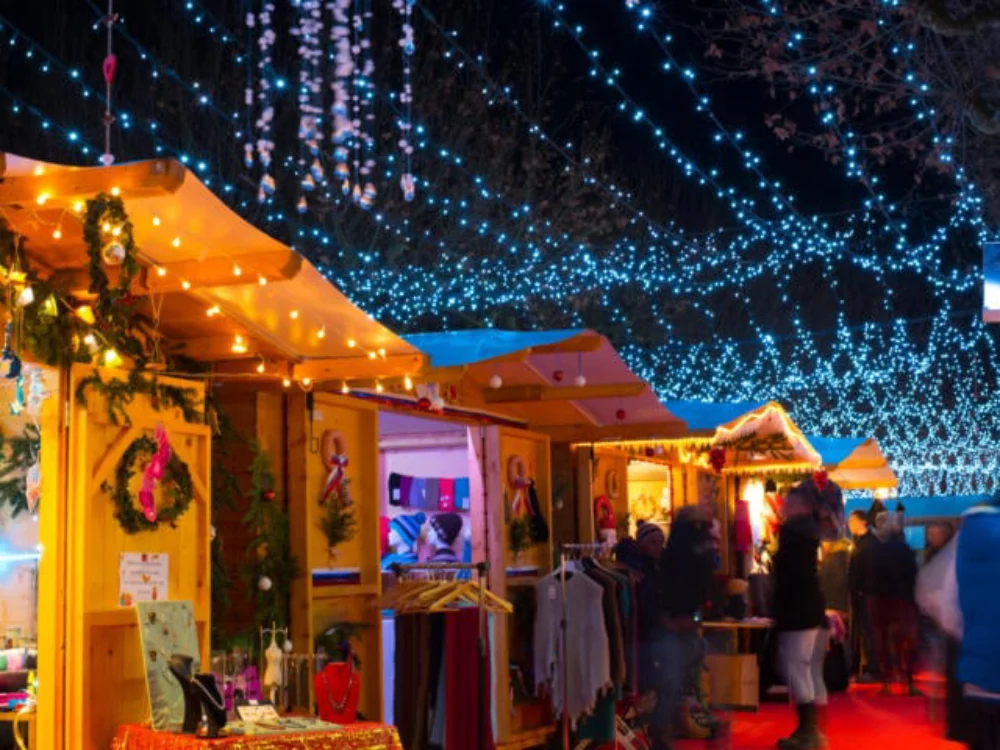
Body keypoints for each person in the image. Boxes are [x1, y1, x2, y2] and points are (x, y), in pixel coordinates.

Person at [772, 485, 828, 750]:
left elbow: (788, 576)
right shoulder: (807, 531)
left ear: (800, 506)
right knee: (801, 668)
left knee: (796, 668)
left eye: (788, 503)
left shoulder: (793, 532)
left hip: (797, 609)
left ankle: (809, 732)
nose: (783, 507)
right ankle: (808, 729)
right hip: (806, 607)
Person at [868, 512, 920, 696]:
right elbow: (913, 575)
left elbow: (871, 576)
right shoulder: (905, 550)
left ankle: (887, 681)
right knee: (907, 640)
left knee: (881, 640)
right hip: (903, 599)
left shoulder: (876, 550)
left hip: (881, 599)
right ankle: (909, 680)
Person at [848, 509, 880, 682]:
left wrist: (860, 588)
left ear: (862, 522)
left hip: (866, 595)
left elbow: (867, 571)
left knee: (869, 632)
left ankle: (873, 669)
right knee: (867, 632)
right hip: (865, 594)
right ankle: (870, 667)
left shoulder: (867, 544)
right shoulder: (863, 543)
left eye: (852, 521)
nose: (849, 525)